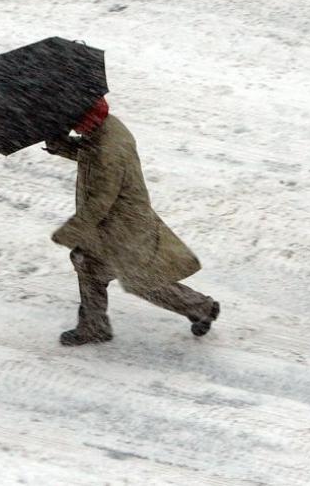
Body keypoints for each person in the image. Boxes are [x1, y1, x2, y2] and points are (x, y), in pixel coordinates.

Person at [44, 97, 220, 346]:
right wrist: (60, 146)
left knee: (143, 282)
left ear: (84, 119)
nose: (71, 126)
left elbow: (99, 201)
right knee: (89, 268)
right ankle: (94, 327)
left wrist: (69, 232)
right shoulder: (106, 128)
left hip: (123, 229)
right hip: (112, 226)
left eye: (73, 121)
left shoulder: (107, 149)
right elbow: (88, 154)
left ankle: (202, 307)